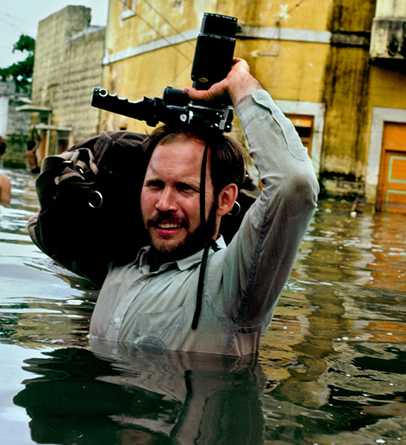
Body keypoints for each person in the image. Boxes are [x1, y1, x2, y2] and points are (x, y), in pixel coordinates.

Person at [89, 58, 319, 356]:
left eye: (185, 188)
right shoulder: (119, 262)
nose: (164, 204)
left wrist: (240, 88)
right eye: (155, 185)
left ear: (225, 199)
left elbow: (295, 184)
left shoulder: (231, 285)